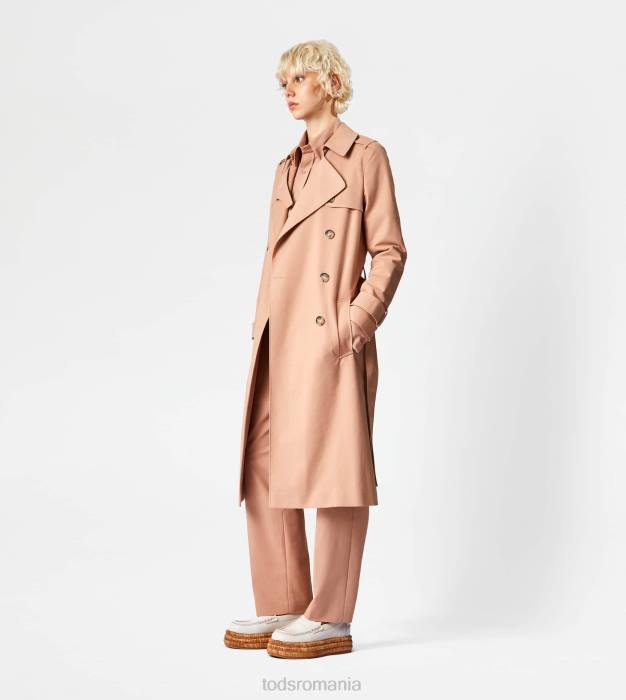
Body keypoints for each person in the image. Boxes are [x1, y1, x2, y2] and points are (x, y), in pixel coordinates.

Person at [224, 39, 408, 659]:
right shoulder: (285, 168)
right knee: (262, 463)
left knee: (336, 470)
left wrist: (353, 324)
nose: (289, 89)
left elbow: (390, 250)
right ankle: (283, 598)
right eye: (284, 81)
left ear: (331, 83)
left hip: (330, 338)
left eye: (301, 78)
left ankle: (330, 615)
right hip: (279, 337)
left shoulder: (366, 156)